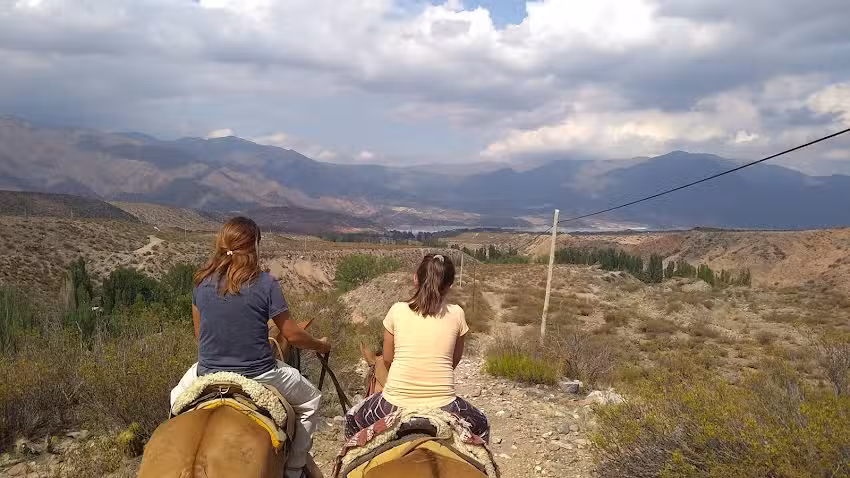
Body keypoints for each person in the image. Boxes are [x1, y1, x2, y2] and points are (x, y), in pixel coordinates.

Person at [169, 216, 329, 478]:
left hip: (207, 372)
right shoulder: (266, 283)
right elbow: (291, 334)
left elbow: (199, 337)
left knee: (176, 399)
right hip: (260, 374)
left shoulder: (201, 282)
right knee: (312, 399)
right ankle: (294, 469)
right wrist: (320, 345)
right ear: (254, 246)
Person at [344, 253, 489, 442]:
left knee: (352, 420)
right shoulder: (457, 314)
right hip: (444, 405)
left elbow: (387, 359)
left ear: (415, 279)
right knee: (482, 425)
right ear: (450, 285)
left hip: (393, 404)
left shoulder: (397, 310)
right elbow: (453, 361)